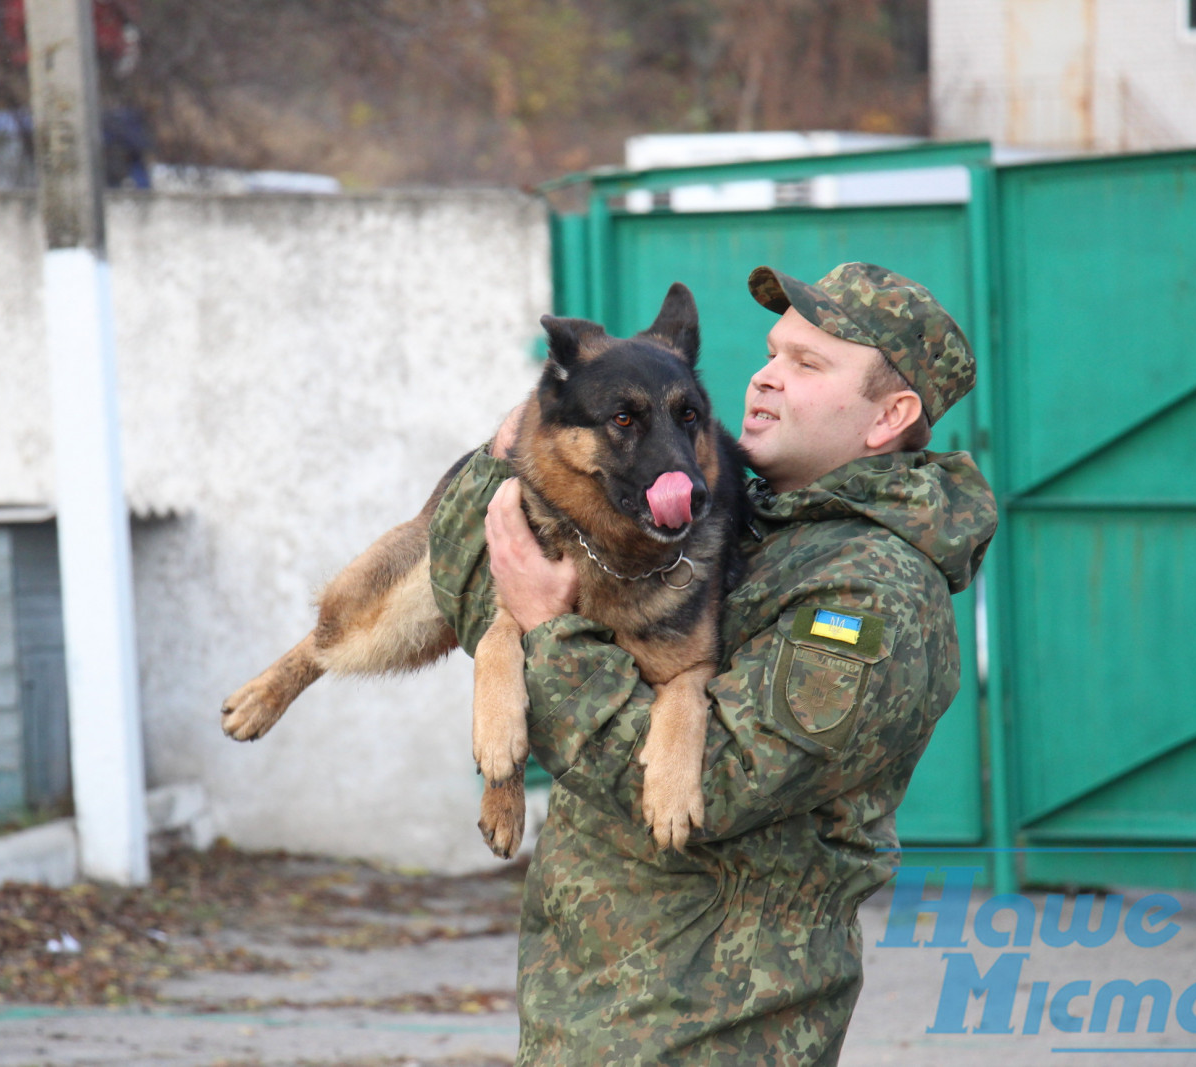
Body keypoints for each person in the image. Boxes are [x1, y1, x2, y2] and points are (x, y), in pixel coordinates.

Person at [426, 263, 999, 1065]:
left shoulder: (869, 595)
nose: (764, 378)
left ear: (890, 416)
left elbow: (711, 786)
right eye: (770, 353)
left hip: (711, 1032)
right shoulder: (745, 518)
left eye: (807, 365)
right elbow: (463, 559)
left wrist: (548, 631)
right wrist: (528, 445)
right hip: (600, 1016)